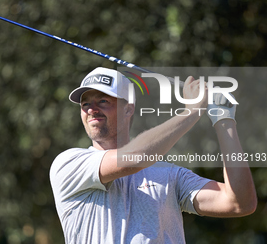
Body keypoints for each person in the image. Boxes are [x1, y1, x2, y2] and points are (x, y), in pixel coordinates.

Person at [50, 67, 257, 244]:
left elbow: (240, 202)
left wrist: (224, 121)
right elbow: (134, 158)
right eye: (85, 104)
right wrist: (191, 111)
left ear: (128, 110)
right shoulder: (68, 164)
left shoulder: (168, 174)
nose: (92, 109)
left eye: (103, 101)